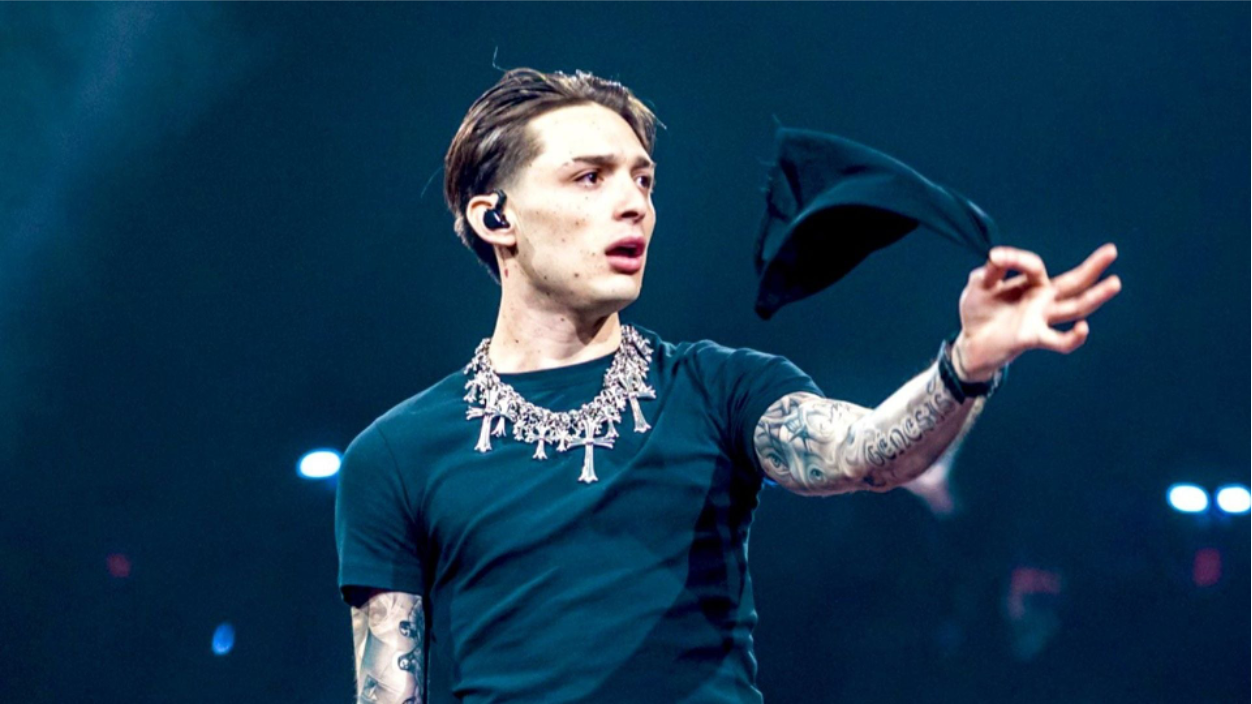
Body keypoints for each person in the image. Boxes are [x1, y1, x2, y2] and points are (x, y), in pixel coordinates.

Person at [334, 67, 1121, 703]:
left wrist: (969, 361)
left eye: (643, 180)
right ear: (495, 218)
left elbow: (869, 452)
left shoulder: (719, 387)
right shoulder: (396, 456)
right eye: (590, 178)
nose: (633, 204)